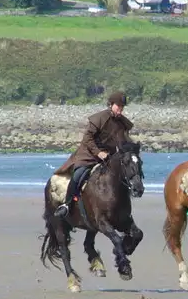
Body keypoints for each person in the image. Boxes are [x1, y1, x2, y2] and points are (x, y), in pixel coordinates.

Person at [52, 91, 133, 219]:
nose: (120, 110)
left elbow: (125, 141)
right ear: (111, 104)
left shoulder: (122, 123)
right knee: (78, 175)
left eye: (122, 107)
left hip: (109, 157)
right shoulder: (99, 118)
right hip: (89, 155)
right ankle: (67, 206)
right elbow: (87, 139)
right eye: (118, 106)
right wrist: (98, 152)